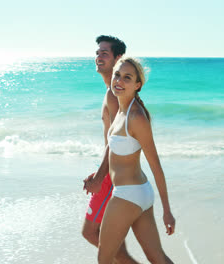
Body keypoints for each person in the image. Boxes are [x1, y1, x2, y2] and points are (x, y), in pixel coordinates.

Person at [96, 57, 176, 264]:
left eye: (127, 78)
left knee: (104, 258)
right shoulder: (122, 110)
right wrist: (98, 175)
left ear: (137, 85)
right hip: (138, 193)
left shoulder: (136, 117)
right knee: (157, 257)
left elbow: (156, 165)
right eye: (117, 75)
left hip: (127, 195)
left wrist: (167, 211)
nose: (119, 81)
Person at [82, 35, 138, 264]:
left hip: (114, 175)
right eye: (98, 52)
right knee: (113, 240)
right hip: (114, 171)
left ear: (118, 58)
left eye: (105, 53)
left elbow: (115, 140)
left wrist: (101, 176)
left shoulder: (114, 94)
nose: (99, 57)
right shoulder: (111, 92)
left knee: (91, 233)